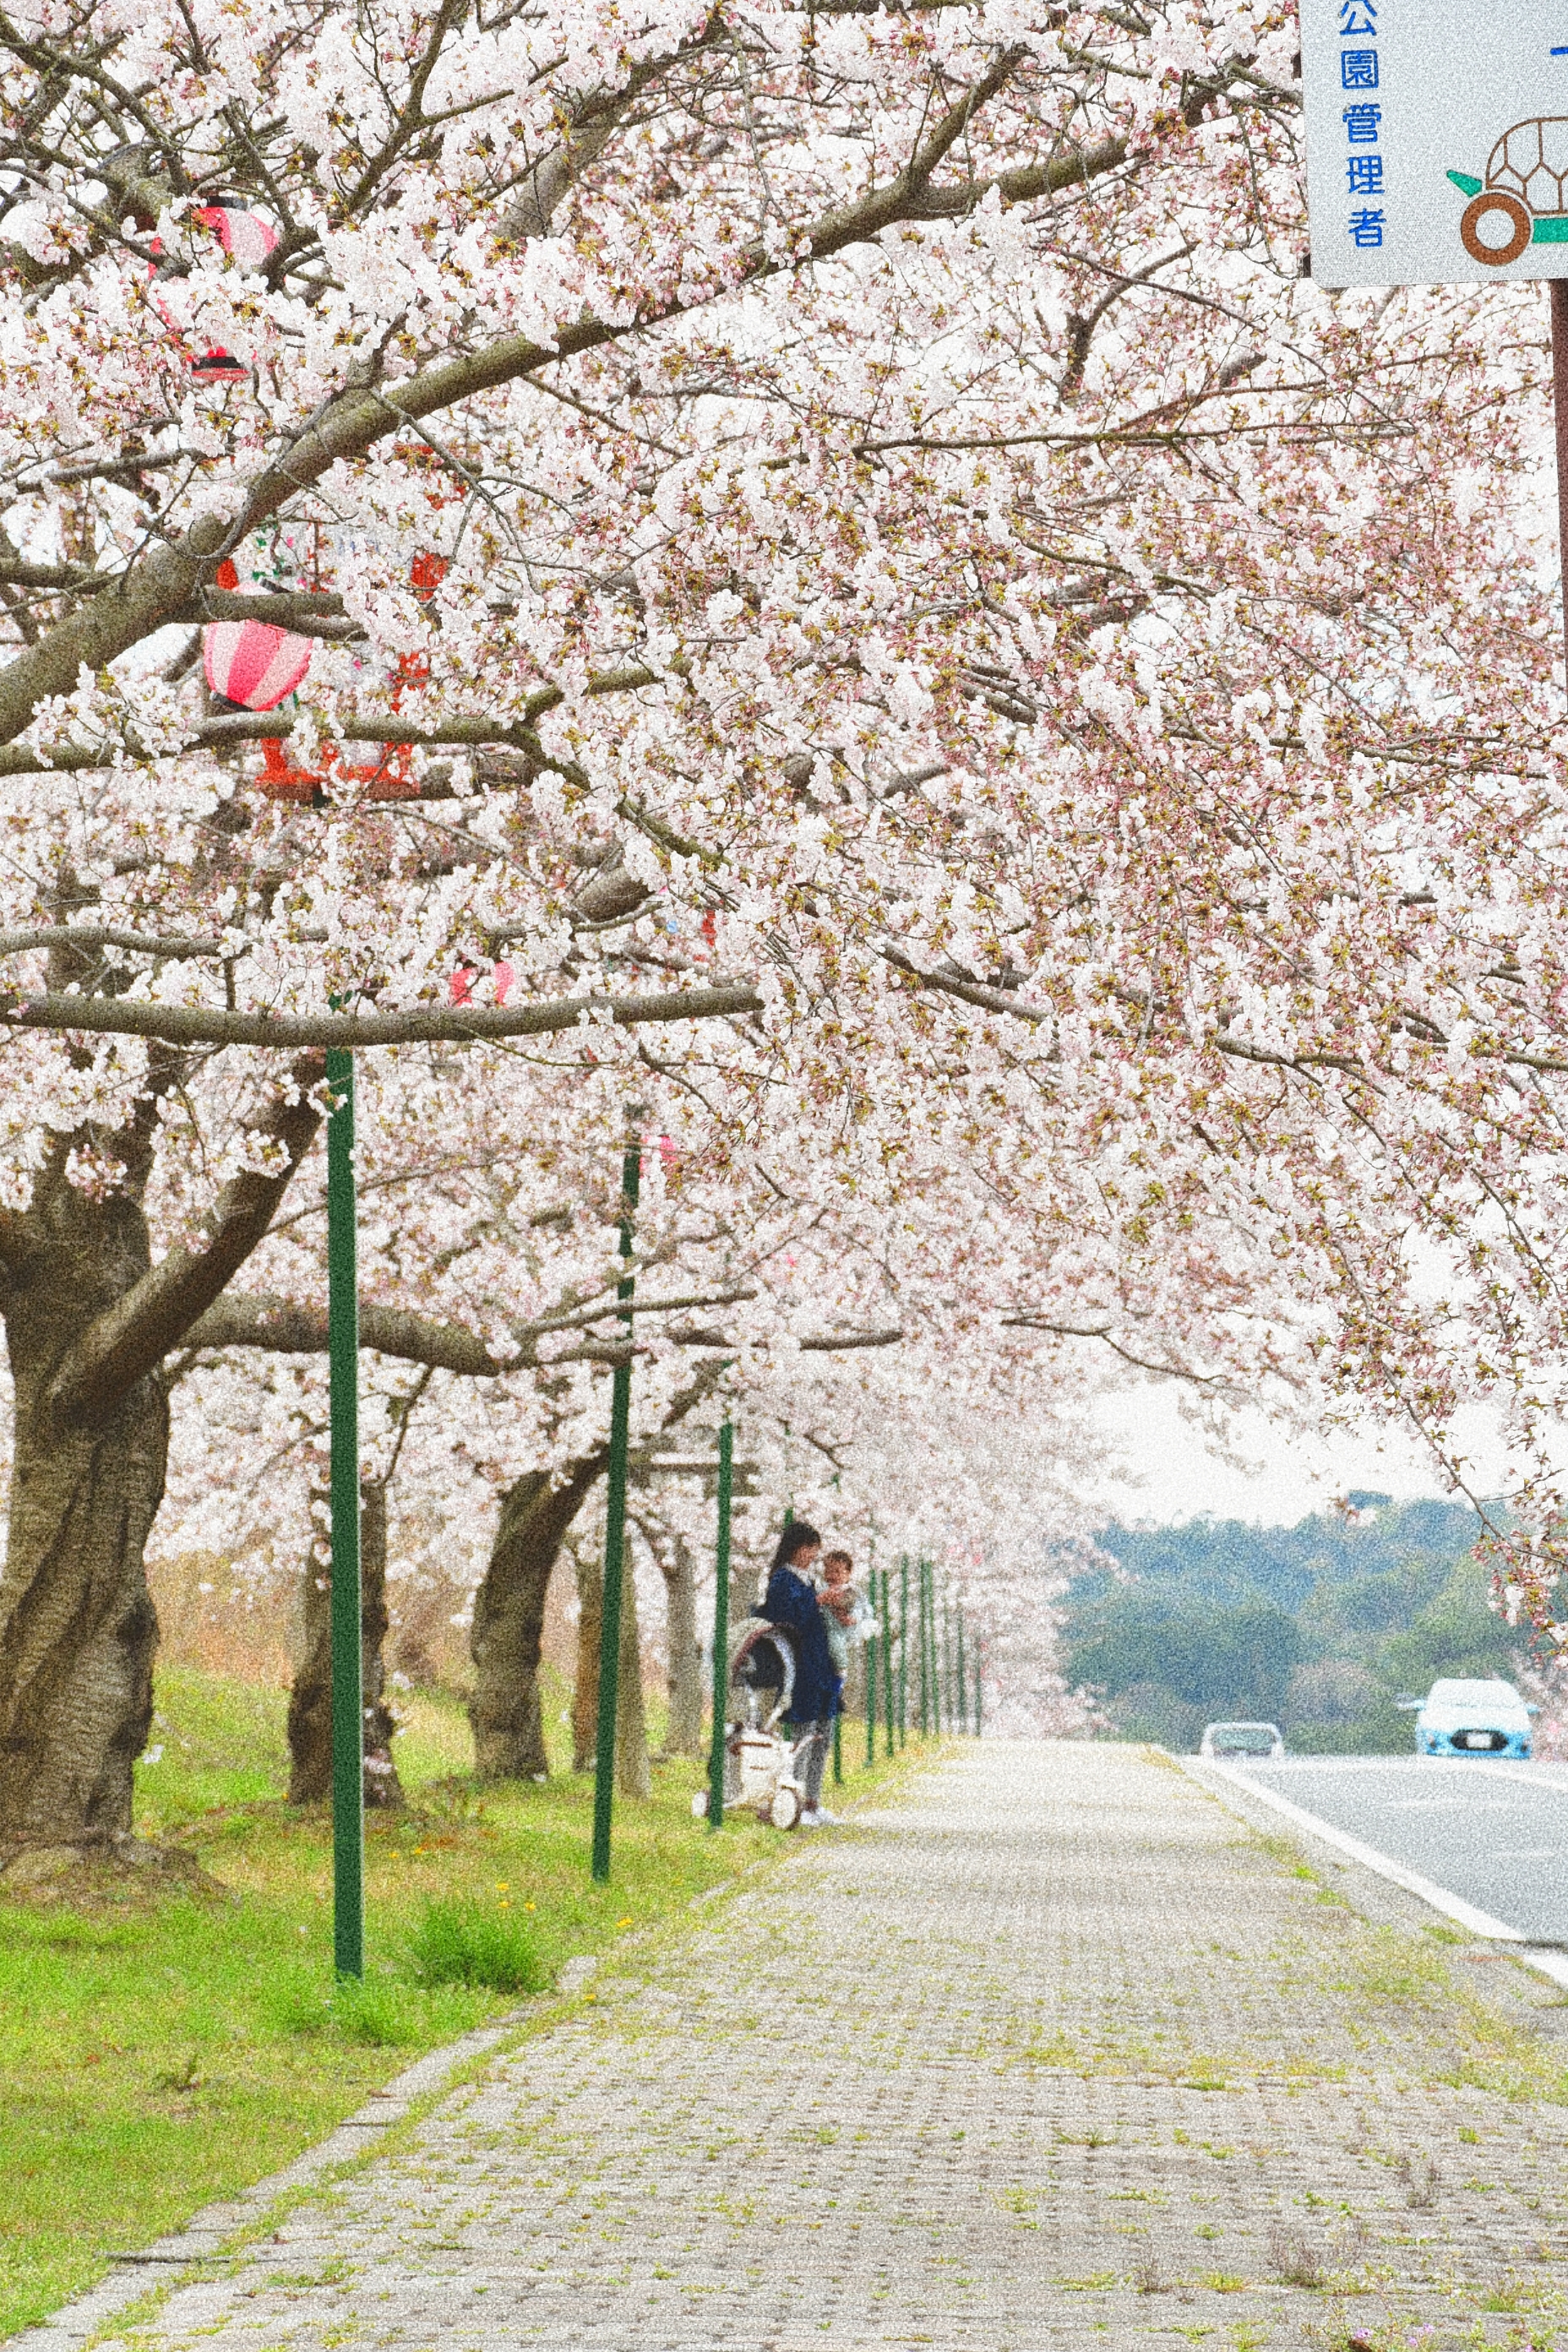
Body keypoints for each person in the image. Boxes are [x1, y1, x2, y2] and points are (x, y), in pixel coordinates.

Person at [758, 1521, 840, 1827]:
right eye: (808, 1549)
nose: (811, 1556)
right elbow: (787, 1617)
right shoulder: (782, 1580)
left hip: (820, 1665)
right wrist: (816, 1602)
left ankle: (813, 1799)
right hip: (800, 1665)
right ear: (794, 1548)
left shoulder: (807, 1581)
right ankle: (793, 1799)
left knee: (822, 1735)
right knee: (803, 1736)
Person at [818, 1549, 876, 1680]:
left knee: (835, 1642)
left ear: (848, 1574)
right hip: (825, 1624)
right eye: (828, 1571)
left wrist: (853, 1618)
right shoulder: (822, 1588)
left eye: (837, 1572)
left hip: (840, 1628)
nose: (832, 1575)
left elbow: (861, 1607)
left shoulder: (851, 1591)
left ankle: (841, 1668)